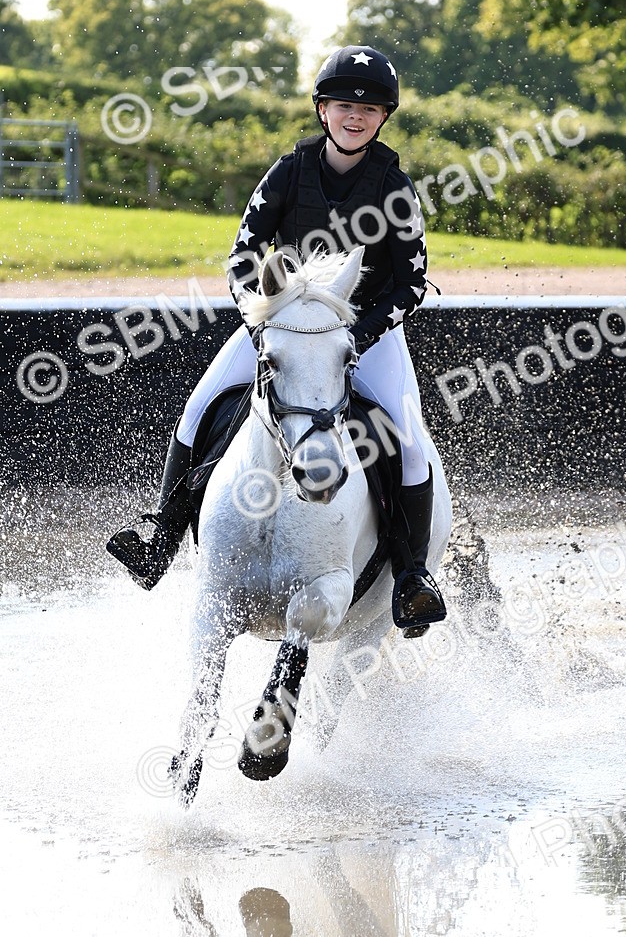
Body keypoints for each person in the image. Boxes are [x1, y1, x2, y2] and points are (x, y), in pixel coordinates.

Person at [107, 45, 446, 634]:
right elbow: (242, 257)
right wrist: (261, 318)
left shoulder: (396, 188)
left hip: (362, 332)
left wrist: (354, 336)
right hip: (282, 325)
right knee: (199, 407)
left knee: (407, 439)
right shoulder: (289, 172)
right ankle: (161, 534)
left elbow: (411, 284)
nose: (355, 116)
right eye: (344, 106)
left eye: (368, 109)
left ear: (384, 117)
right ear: (322, 110)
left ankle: (412, 576)